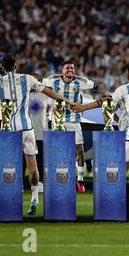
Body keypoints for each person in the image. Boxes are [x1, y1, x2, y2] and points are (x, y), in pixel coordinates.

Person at [0, 55, 73, 215]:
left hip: (7, 129)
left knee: (4, 166)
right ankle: (34, 198)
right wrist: (68, 101)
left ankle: (2, 201)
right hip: (26, 127)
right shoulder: (27, 79)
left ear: (3, 67)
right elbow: (49, 92)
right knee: (32, 164)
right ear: (16, 66)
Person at [45, 60, 103, 193]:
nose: (70, 70)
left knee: (79, 149)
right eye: (67, 68)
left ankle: (80, 180)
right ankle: (59, 178)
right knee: (59, 151)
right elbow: (40, 82)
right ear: (62, 70)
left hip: (74, 120)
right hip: (58, 121)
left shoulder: (80, 82)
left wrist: (107, 93)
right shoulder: (53, 81)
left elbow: (96, 86)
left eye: (72, 68)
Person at [29, 72, 52, 191]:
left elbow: (49, 108)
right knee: (25, 158)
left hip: (41, 131)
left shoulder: (46, 95)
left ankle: (41, 181)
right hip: (27, 130)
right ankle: (22, 183)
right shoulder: (25, 95)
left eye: (36, 80)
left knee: (41, 159)